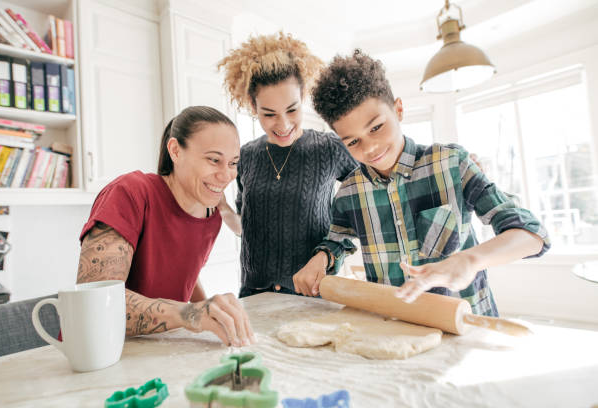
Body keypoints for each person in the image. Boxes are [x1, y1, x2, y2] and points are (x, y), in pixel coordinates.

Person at [293, 50, 550, 316]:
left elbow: (531, 235)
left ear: (399, 109)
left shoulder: (453, 164)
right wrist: (321, 259)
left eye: (376, 127)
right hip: (395, 329)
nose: (371, 148)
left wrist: (470, 260)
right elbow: (338, 241)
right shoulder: (349, 193)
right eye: (353, 142)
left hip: (468, 325)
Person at [76, 106, 254, 347]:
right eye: (214, 160)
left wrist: (209, 313)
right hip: (98, 352)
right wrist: (191, 315)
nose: (226, 175)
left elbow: (181, 274)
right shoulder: (130, 193)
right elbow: (96, 302)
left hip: (156, 349)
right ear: (175, 151)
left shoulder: (211, 216)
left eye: (233, 163)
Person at [217, 32, 358, 298]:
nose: (282, 125)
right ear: (252, 105)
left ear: (303, 95)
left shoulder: (328, 148)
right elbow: (245, 229)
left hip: (313, 297)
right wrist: (222, 209)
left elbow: (367, 207)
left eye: (292, 110)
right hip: (253, 296)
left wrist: (328, 255)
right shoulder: (245, 155)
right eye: (268, 114)